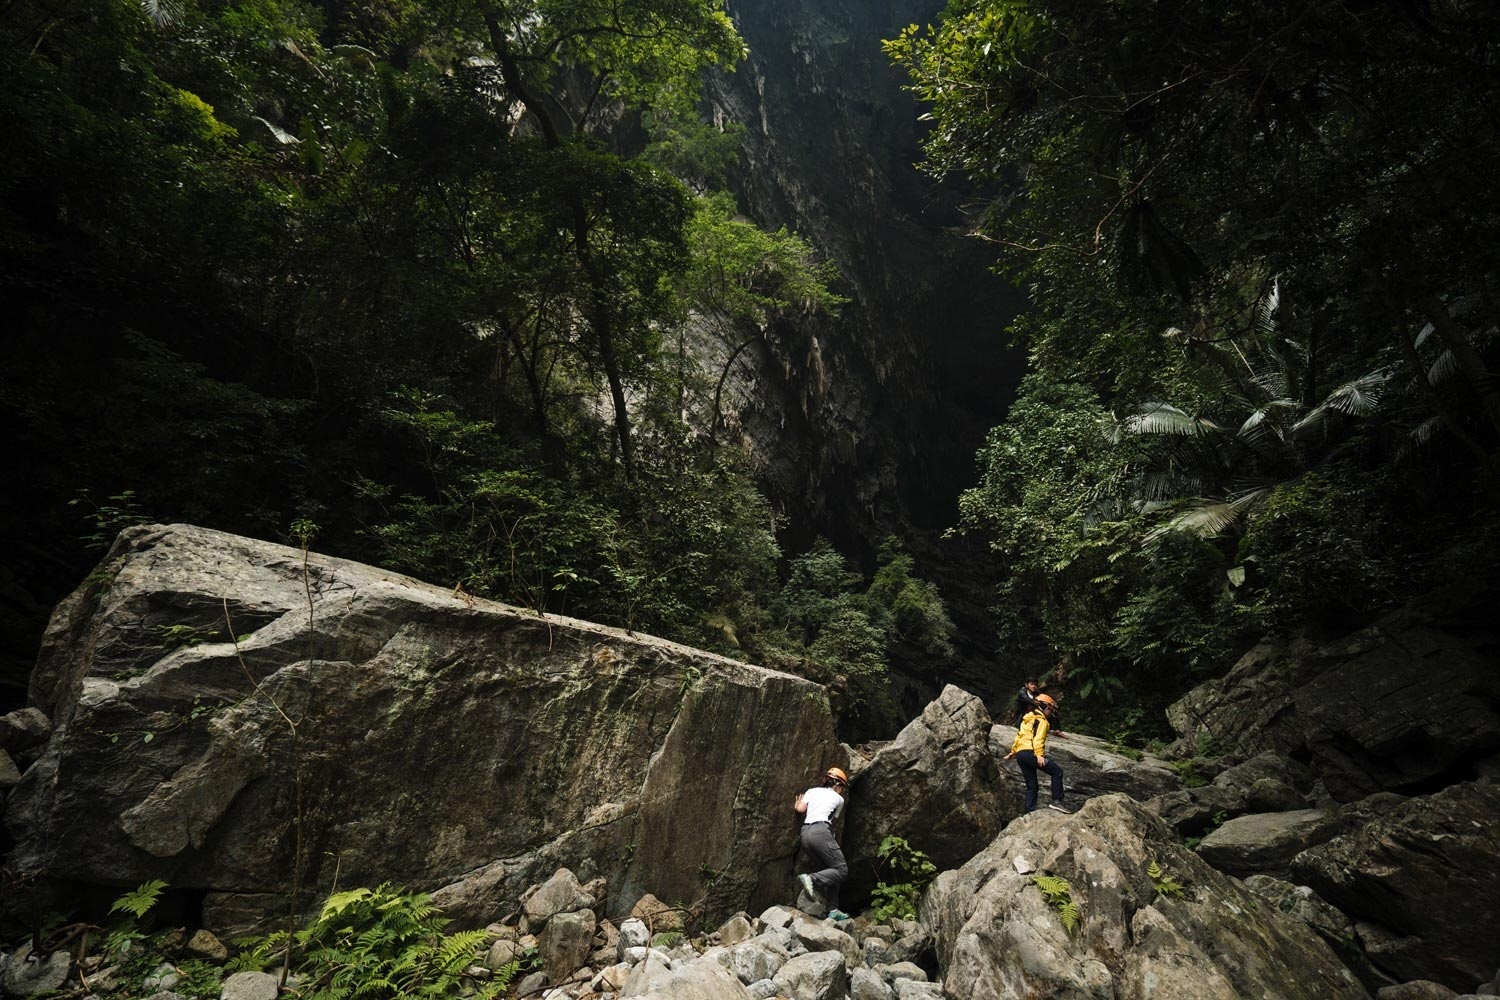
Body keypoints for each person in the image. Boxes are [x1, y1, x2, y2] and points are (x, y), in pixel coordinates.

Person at [794, 766, 850, 920]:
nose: (842, 791)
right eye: (842, 787)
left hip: (805, 834)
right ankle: (811, 879)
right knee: (842, 870)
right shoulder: (839, 799)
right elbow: (833, 818)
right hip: (821, 831)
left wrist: (798, 803)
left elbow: (800, 809)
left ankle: (833, 910)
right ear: (837, 785)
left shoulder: (812, 791)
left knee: (832, 871)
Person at [1004, 694, 1071, 814]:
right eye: (1050, 710)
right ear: (1045, 707)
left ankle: (1029, 811)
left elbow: (1020, 736)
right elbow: (1038, 739)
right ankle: (1057, 801)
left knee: (1032, 785)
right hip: (1031, 753)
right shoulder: (1042, 721)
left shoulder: (1027, 718)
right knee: (1057, 772)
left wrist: (1013, 752)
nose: (1051, 713)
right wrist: (1039, 755)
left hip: (1021, 755)